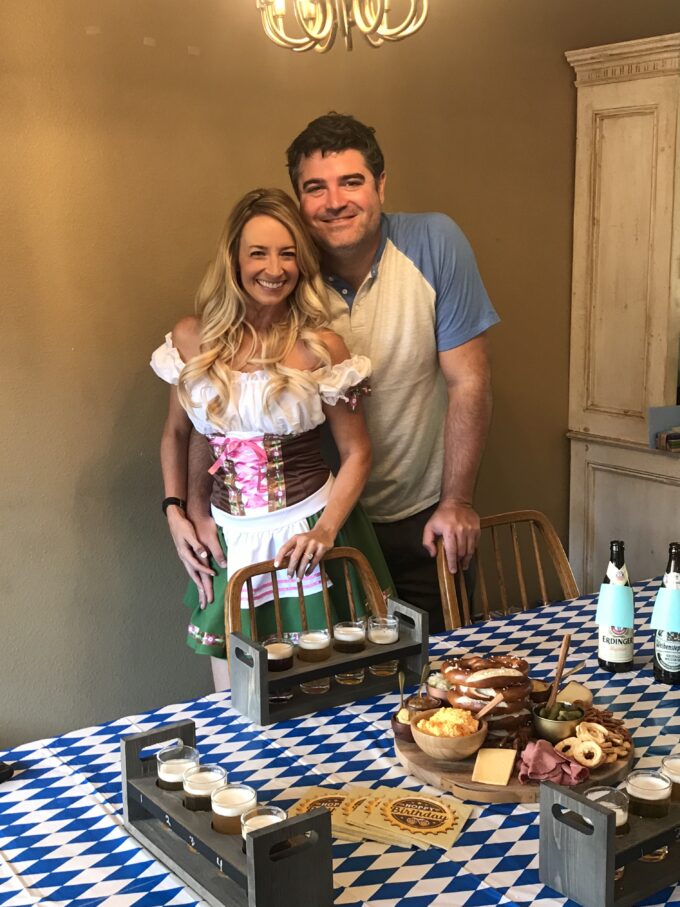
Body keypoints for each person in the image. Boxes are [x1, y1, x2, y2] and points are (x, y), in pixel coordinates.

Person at [181, 114, 499, 634]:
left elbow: (470, 382)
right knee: (336, 686)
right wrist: (188, 507)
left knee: (436, 677)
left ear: (380, 185)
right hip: (315, 523)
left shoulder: (435, 243)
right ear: (298, 200)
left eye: (352, 181)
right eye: (315, 188)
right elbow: (216, 413)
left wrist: (457, 501)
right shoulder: (280, 279)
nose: (335, 201)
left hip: (420, 515)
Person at [151, 188, 392, 690]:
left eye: (287, 253)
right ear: (234, 259)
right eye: (258, 252)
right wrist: (178, 512)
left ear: (302, 263)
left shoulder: (322, 347)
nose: (274, 268)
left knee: (328, 689)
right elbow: (177, 433)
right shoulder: (192, 338)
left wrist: (324, 531)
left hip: (308, 532)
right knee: (235, 697)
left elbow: (357, 452)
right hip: (227, 539)